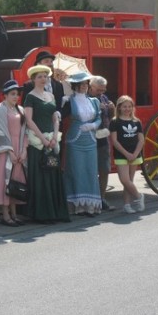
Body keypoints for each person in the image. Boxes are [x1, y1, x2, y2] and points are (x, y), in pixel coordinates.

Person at [23, 65, 69, 224]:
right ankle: (43, 214)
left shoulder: (50, 95)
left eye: (45, 76)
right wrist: (42, 139)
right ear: (33, 79)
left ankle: (57, 212)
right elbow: (29, 120)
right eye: (40, 77)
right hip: (38, 142)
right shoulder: (30, 96)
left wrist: (55, 136)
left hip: (52, 139)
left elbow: (55, 117)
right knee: (41, 177)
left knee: (53, 175)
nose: (43, 79)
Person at [63, 72, 102, 216]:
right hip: (75, 140)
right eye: (81, 85)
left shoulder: (94, 101)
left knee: (91, 171)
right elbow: (59, 116)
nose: (84, 87)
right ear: (75, 86)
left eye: (86, 84)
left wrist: (93, 126)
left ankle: (90, 206)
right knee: (76, 171)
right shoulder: (69, 101)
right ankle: (76, 206)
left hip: (90, 140)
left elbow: (98, 118)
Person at [0, 80, 28, 227]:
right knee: (4, 181)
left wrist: (24, 149)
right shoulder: (1, 109)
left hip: (18, 147)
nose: (16, 97)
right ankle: (5, 214)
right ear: (5, 95)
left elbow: (25, 131)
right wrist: (10, 151)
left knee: (15, 181)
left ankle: (14, 213)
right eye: (12, 94)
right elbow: (0, 130)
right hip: (5, 150)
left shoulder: (20, 109)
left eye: (17, 94)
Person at [109, 95, 145, 214]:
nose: (127, 109)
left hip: (134, 154)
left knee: (130, 180)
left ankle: (127, 205)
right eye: (124, 106)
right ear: (119, 108)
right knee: (124, 180)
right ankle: (139, 196)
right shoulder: (115, 122)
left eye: (129, 106)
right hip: (121, 154)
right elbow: (114, 140)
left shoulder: (136, 121)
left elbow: (141, 140)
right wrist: (127, 154)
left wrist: (134, 154)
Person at [88, 76, 116, 211]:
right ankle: (92, 198)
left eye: (103, 90)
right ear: (91, 87)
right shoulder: (86, 98)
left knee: (104, 169)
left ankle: (102, 198)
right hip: (89, 138)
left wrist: (111, 109)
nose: (101, 92)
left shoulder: (104, 98)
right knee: (91, 170)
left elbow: (110, 117)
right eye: (98, 90)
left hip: (103, 138)